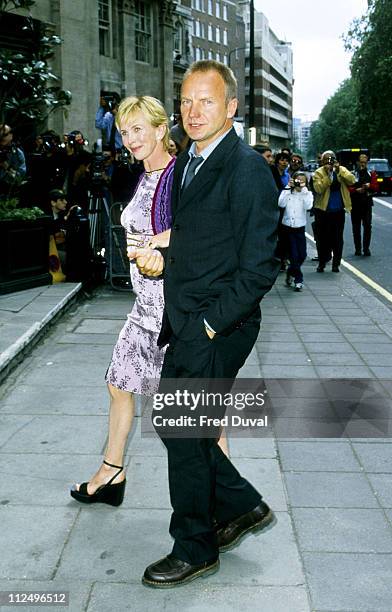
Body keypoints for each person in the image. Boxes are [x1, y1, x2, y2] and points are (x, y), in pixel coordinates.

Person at [132, 60, 280, 588]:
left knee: (184, 430)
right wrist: (161, 259)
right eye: (186, 101)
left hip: (218, 324)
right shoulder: (192, 161)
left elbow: (261, 265)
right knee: (180, 427)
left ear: (232, 107)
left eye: (207, 101)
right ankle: (242, 506)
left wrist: (212, 326)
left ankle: (194, 546)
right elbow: (199, 243)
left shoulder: (246, 169)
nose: (193, 112)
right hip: (190, 318)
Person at [70, 95, 175, 506]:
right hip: (144, 309)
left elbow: (198, 233)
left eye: (139, 129)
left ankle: (228, 502)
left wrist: (161, 247)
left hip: (175, 315)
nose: (131, 139)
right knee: (119, 384)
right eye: (125, 131)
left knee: (196, 419)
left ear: (161, 129)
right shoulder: (144, 175)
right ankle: (111, 472)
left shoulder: (178, 176)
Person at [313, 150, 355, 273]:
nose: (329, 162)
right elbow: (318, 189)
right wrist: (328, 175)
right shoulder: (318, 173)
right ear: (322, 161)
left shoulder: (341, 170)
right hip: (323, 211)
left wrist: (339, 171)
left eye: (332, 159)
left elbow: (352, 180)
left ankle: (336, 264)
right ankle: (322, 262)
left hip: (338, 211)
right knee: (322, 238)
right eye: (326, 160)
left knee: (337, 239)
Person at [279, 172, 313, 291]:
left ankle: (290, 272)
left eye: (302, 181)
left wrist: (303, 190)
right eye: (297, 180)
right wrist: (288, 187)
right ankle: (299, 280)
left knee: (302, 255)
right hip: (288, 228)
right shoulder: (288, 192)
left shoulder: (307, 194)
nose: (299, 182)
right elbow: (280, 203)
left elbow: (308, 206)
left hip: (299, 228)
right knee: (294, 255)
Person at [350, 153, 378, 256]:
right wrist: (356, 190)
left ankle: (366, 249)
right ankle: (358, 249)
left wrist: (369, 185)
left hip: (367, 203)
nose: (363, 164)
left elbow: (376, 187)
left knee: (367, 226)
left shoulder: (371, 173)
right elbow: (348, 188)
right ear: (357, 162)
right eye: (361, 162)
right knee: (356, 227)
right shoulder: (353, 173)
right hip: (355, 203)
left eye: (365, 163)